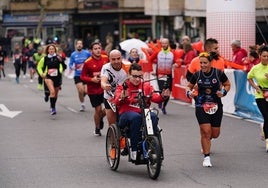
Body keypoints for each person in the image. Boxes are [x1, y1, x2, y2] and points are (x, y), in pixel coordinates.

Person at [113, 63, 170, 160]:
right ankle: (134, 149)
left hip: (144, 113)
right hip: (126, 114)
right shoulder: (122, 86)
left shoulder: (146, 86)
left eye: (140, 76)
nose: (137, 79)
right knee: (136, 118)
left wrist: (163, 96)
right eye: (134, 76)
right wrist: (122, 97)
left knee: (153, 116)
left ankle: (152, 144)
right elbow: (116, 101)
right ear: (129, 75)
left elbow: (156, 98)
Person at [186, 52, 231, 167]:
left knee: (215, 134)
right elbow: (189, 86)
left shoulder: (218, 73)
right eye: (201, 63)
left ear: (210, 62)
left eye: (205, 63)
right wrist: (189, 93)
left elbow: (227, 84)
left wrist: (224, 92)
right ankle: (206, 157)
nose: (203, 65)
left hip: (216, 105)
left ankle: (206, 139)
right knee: (206, 132)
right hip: (201, 105)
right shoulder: (197, 75)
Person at [80, 42, 109, 136]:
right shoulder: (87, 62)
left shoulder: (106, 58)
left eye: (99, 48)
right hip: (93, 90)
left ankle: (100, 117)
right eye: (95, 48)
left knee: (109, 108)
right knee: (98, 109)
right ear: (91, 51)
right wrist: (92, 79)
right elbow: (83, 76)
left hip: (105, 88)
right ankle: (97, 128)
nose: (98, 50)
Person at [247, 45, 268, 152]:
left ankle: (264, 128)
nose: (266, 58)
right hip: (261, 95)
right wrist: (255, 87)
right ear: (259, 56)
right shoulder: (255, 68)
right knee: (267, 116)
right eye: (264, 56)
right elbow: (249, 77)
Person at [149, 38, 178, 114]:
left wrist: (176, 64)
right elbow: (150, 59)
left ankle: (164, 106)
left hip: (168, 74)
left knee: (168, 92)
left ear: (168, 44)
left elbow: (177, 60)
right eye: (163, 43)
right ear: (161, 44)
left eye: (166, 43)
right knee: (163, 90)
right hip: (160, 75)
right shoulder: (158, 52)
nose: (164, 45)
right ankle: (160, 101)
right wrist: (156, 63)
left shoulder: (172, 52)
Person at [37, 44, 67, 115]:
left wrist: (61, 62)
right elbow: (39, 67)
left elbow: (64, 67)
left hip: (57, 77)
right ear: (47, 50)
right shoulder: (44, 58)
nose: (51, 50)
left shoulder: (58, 57)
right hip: (48, 77)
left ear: (55, 50)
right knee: (52, 92)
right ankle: (53, 109)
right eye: (50, 49)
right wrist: (42, 74)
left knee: (55, 94)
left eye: (52, 49)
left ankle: (52, 105)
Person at [101, 49, 128, 126]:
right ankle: (101, 116)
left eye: (118, 58)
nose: (116, 61)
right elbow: (103, 82)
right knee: (112, 124)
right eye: (113, 59)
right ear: (109, 59)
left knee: (124, 122)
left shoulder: (127, 66)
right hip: (110, 98)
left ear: (121, 58)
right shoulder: (106, 67)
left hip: (123, 96)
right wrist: (105, 85)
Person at [69, 40, 91, 111]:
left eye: (80, 44)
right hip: (77, 75)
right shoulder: (73, 54)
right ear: (76, 45)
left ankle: (82, 95)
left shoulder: (87, 53)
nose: (79, 45)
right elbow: (70, 64)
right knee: (81, 90)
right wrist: (72, 67)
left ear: (82, 45)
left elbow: (91, 60)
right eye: (78, 44)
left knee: (86, 91)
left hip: (86, 75)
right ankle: (82, 104)